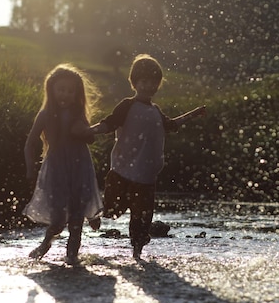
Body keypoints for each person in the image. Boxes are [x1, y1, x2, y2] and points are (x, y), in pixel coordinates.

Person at [88, 54, 206, 259]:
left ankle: (137, 254)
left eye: (153, 82)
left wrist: (192, 115)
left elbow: (171, 125)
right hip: (122, 172)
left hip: (147, 177)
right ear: (134, 82)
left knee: (142, 219)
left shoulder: (156, 111)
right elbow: (110, 123)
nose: (149, 85)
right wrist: (88, 131)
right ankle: (93, 213)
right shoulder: (127, 105)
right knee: (112, 211)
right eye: (144, 81)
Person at [23, 64, 103, 265]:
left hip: (79, 169)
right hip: (56, 170)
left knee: (76, 221)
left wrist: (85, 130)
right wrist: (29, 167)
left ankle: (72, 257)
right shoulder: (45, 114)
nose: (65, 94)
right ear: (51, 90)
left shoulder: (78, 115)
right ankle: (46, 242)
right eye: (61, 89)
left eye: (70, 90)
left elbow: (90, 138)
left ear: (77, 94)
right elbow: (30, 142)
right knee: (58, 221)